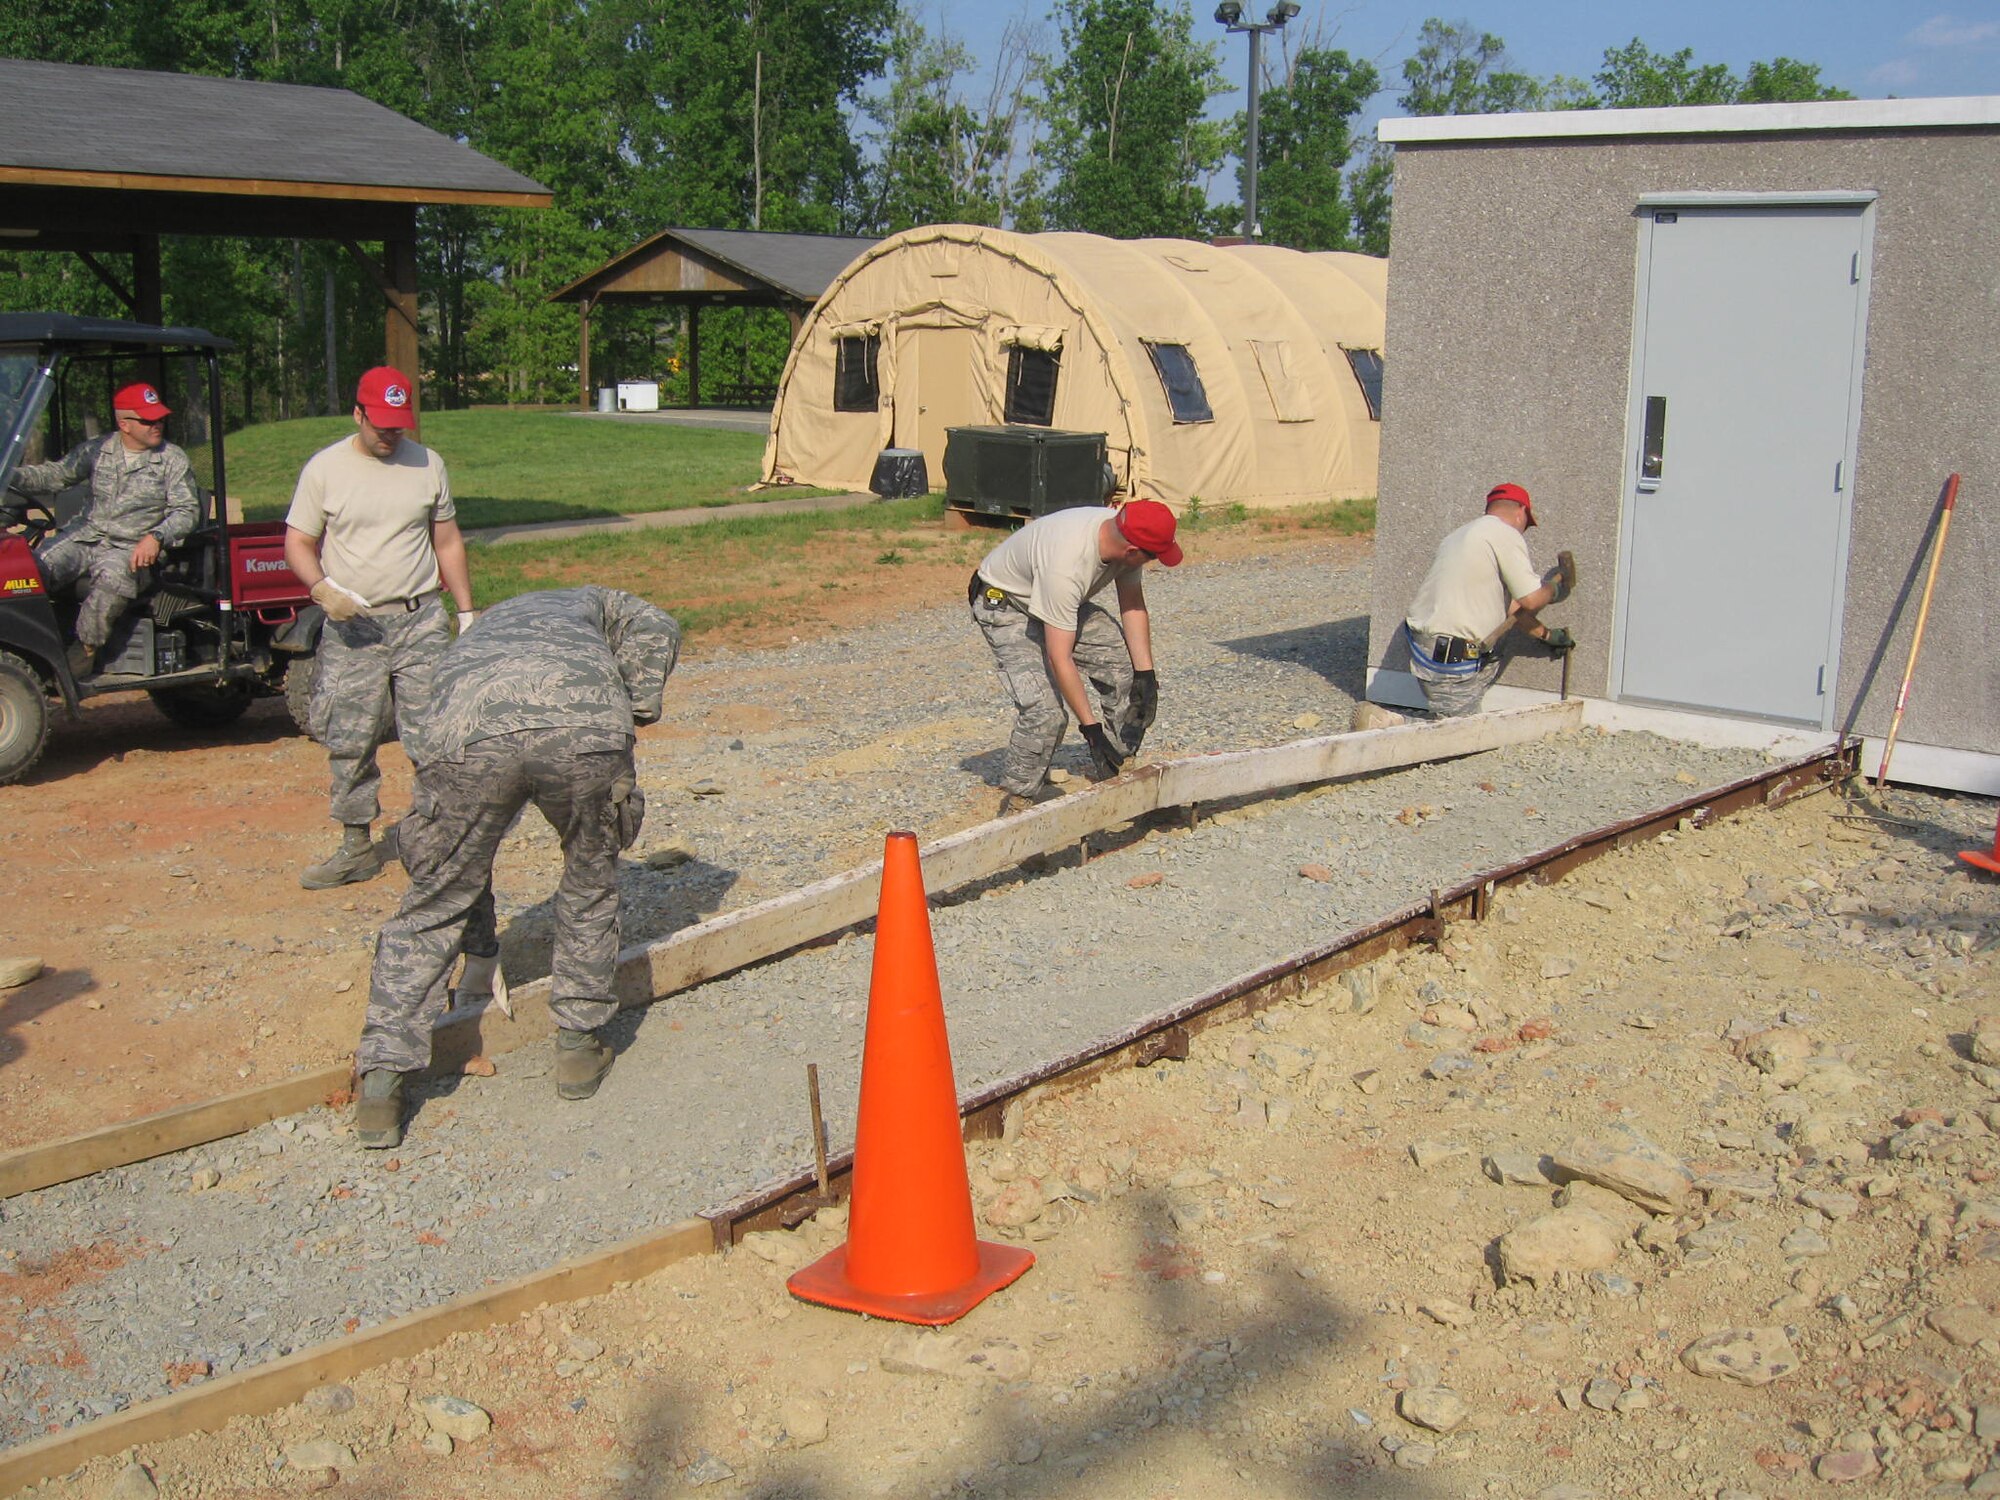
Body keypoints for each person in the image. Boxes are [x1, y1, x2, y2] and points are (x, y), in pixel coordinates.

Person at [352, 585, 681, 1149]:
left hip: (466, 741)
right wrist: (637, 701)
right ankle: (578, 1048)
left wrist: (476, 936)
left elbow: (427, 743)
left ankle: (382, 1082)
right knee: (589, 883)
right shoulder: (602, 601)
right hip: (585, 731)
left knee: (436, 899)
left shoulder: (472, 638)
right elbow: (660, 625)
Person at [284, 366, 476, 890]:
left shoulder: (428, 464)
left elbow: (448, 542)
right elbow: (298, 543)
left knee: (434, 732)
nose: (391, 435)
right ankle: (355, 846)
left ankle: (437, 839)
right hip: (356, 627)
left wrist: (465, 612)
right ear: (358, 413)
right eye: (381, 425)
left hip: (420, 621)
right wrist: (323, 590)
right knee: (351, 736)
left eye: (399, 425)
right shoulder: (325, 469)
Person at [969, 499, 1182, 817]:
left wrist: (1145, 675)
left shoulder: (1125, 533)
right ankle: (1017, 810)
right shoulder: (1067, 563)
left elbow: (1133, 603)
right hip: (1005, 602)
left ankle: (1120, 769)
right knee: (1045, 712)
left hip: (1057, 598)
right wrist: (1091, 730)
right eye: (1152, 557)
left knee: (1125, 677)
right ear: (1133, 552)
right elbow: (1059, 656)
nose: (1151, 562)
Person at [9, 381, 199, 677]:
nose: (157, 424)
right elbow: (56, 475)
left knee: (113, 580)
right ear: (124, 424)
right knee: (27, 572)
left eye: (160, 417)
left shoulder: (171, 459)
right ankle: (23, 644)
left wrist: (156, 537)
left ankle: (84, 651)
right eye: (148, 419)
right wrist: (9, 474)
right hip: (86, 536)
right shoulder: (98, 450)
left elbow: (187, 511)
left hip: (132, 547)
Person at [1392, 481, 1573, 720]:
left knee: (1493, 649)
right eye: (1526, 525)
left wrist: (1548, 636)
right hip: (1451, 652)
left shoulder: (1460, 535)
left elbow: (1514, 611)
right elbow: (1530, 600)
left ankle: (1453, 713)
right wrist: (1555, 588)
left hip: (1424, 645)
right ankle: (1391, 722)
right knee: (1458, 732)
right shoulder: (1504, 533)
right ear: (1521, 512)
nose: (1523, 532)